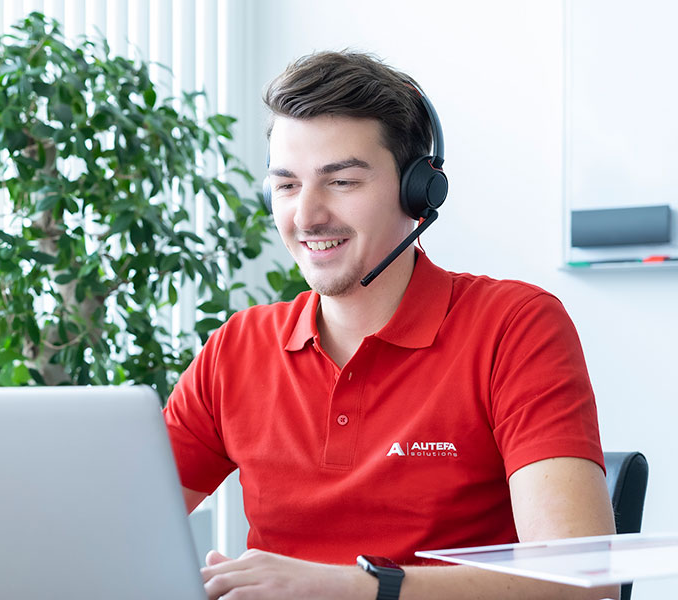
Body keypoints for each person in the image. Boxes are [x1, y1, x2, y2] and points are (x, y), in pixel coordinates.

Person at [164, 50, 618, 600]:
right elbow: (116, 527)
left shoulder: (514, 327)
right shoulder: (237, 348)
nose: (307, 216)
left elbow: (580, 586)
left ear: (419, 193)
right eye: (286, 186)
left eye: (343, 181)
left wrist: (349, 587)